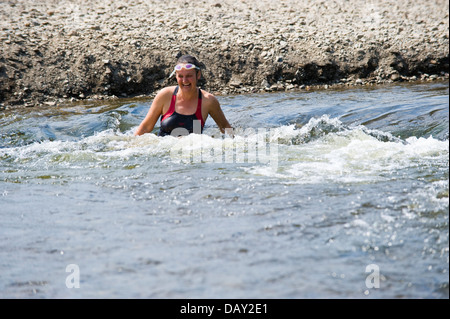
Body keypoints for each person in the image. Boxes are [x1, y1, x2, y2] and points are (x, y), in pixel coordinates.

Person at [134, 55, 232, 137]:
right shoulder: (165, 96)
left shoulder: (208, 101)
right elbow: (145, 128)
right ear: (176, 76)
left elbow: (226, 130)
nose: (185, 81)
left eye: (189, 76)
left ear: (198, 75)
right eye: (180, 76)